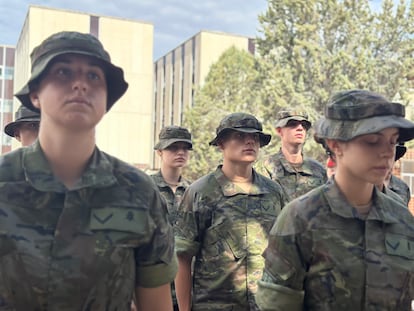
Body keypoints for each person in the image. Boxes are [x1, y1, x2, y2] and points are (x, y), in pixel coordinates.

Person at [0, 31, 176, 310]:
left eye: (94, 76)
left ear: (106, 98)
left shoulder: (139, 192)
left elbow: (155, 302)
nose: (80, 84)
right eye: (63, 73)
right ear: (35, 94)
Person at [257, 89, 414, 310]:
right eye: (372, 141)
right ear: (335, 144)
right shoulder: (299, 220)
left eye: (392, 141)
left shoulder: (402, 220)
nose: (386, 152)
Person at [174, 112, 288, 311]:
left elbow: (286, 252)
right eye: (240, 136)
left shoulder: (274, 192)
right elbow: (182, 257)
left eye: (255, 138)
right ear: (221, 144)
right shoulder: (201, 193)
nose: (250, 142)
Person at [152, 125, 193, 311]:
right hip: (153, 286)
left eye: (185, 148)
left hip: (186, 288)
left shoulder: (195, 191)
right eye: (173, 147)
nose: (180, 152)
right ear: (160, 151)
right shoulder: (145, 187)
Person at [256, 109, 327, 201]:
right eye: (292, 124)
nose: (300, 128)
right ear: (279, 131)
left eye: (304, 125)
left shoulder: (318, 170)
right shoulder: (265, 167)